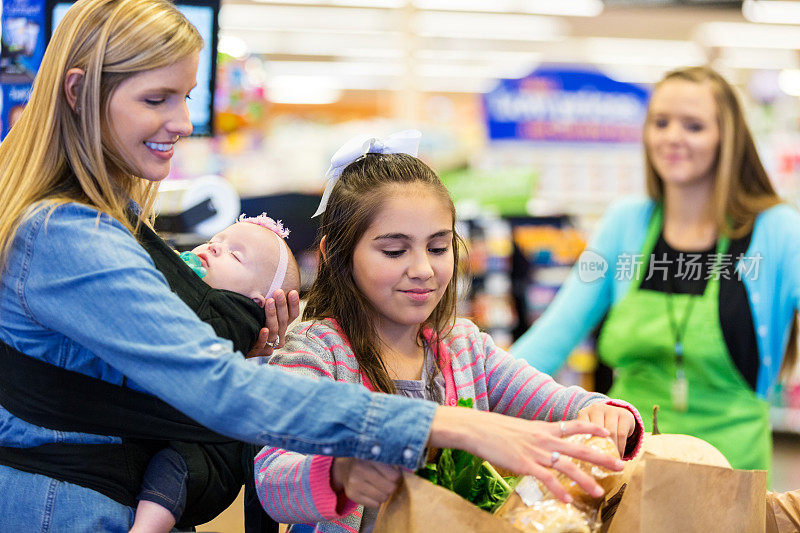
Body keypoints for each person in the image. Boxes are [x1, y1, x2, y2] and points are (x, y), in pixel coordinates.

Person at [0, 0, 631, 529]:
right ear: (79, 91)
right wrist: (451, 427)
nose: (183, 122)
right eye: (157, 98)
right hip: (69, 502)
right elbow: (220, 395)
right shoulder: (67, 234)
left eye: (186, 96)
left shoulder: (460, 347)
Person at [254, 131, 644, 533]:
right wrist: (339, 473)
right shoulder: (315, 352)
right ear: (334, 256)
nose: (423, 269)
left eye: (438, 248)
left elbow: (561, 405)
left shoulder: (464, 347)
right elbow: (271, 480)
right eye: (394, 251)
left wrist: (605, 414)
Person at [512, 65, 800, 472]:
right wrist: (472, 403)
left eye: (694, 126)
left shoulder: (778, 231)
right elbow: (554, 335)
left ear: (727, 139)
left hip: (733, 472)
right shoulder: (624, 224)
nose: (672, 138)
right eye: (660, 122)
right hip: (627, 464)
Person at [132, 212, 300, 533]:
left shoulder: (230, 317)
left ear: (257, 302)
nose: (214, 248)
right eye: (214, 240)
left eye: (235, 255)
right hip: (152, 444)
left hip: (194, 460)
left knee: (172, 470)